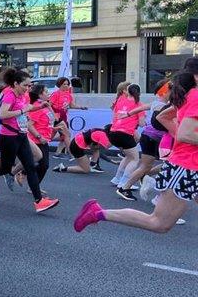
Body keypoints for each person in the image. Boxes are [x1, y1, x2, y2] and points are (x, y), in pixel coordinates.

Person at [75, 59, 198, 235]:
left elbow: (164, 117)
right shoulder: (195, 96)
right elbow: (186, 133)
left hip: (191, 165)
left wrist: (177, 134)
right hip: (186, 167)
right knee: (158, 223)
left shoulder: (188, 96)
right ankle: (98, 213)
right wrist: (180, 136)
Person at [0, 68, 59, 213]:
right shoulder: (10, 95)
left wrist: (39, 106)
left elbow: (25, 110)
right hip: (9, 137)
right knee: (5, 168)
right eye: (25, 85)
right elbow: (3, 114)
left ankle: (39, 202)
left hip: (21, 135)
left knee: (30, 166)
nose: (28, 88)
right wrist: (23, 110)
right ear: (16, 83)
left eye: (29, 85)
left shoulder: (21, 95)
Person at [116, 80, 170, 200]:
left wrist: (127, 114)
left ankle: (140, 178)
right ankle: (125, 187)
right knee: (149, 165)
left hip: (150, 137)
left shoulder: (158, 102)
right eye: (171, 90)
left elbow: (142, 107)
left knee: (165, 164)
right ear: (165, 92)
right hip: (151, 138)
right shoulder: (162, 105)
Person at [108, 82, 145, 196]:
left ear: (127, 92)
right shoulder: (139, 105)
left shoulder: (120, 100)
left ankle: (117, 178)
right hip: (125, 133)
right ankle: (124, 182)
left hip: (113, 132)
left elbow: (114, 112)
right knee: (135, 158)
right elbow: (142, 123)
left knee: (129, 156)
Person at [49, 77, 86, 158]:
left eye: (67, 84)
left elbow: (72, 105)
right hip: (57, 117)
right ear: (59, 85)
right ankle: (72, 154)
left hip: (64, 116)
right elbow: (49, 105)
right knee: (67, 135)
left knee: (61, 136)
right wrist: (54, 114)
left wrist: (81, 107)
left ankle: (57, 153)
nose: (66, 86)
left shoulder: (68, 95)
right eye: (64, 84)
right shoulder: (55, 94)